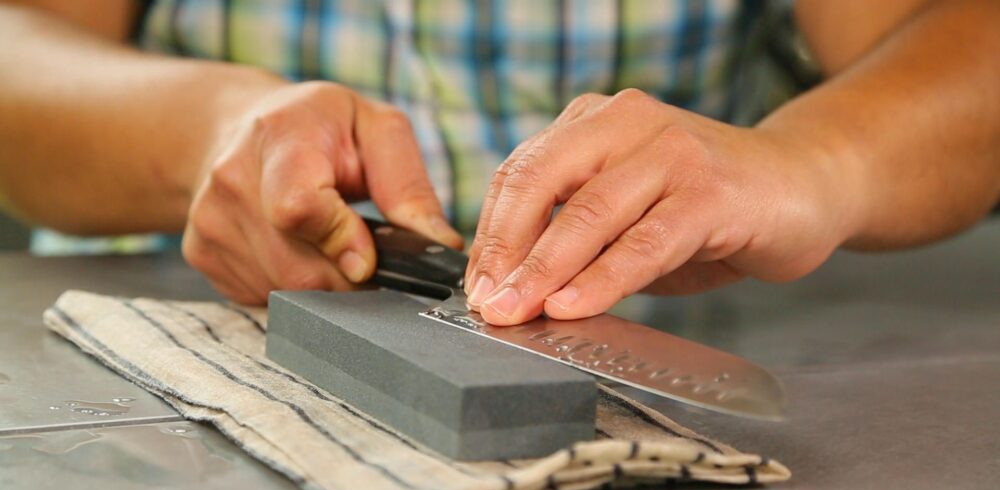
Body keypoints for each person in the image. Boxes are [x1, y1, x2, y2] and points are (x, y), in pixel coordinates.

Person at [0, 0, 998, 327]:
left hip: (659, 391)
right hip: (169, 373)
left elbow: (960, 36)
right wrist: (205, 134)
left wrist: (810, 159)